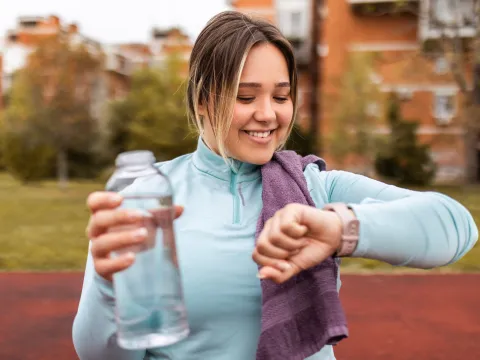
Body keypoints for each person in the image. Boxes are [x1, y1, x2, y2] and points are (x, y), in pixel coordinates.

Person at [72, 11, 478, 360]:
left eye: (281, 97)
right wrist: (109, 289)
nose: (267, 114)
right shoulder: (145, 200)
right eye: (245, 97)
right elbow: (99, 354)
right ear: (202, 100)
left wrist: (341, 229)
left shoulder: (316, 190)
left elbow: (456, 225)